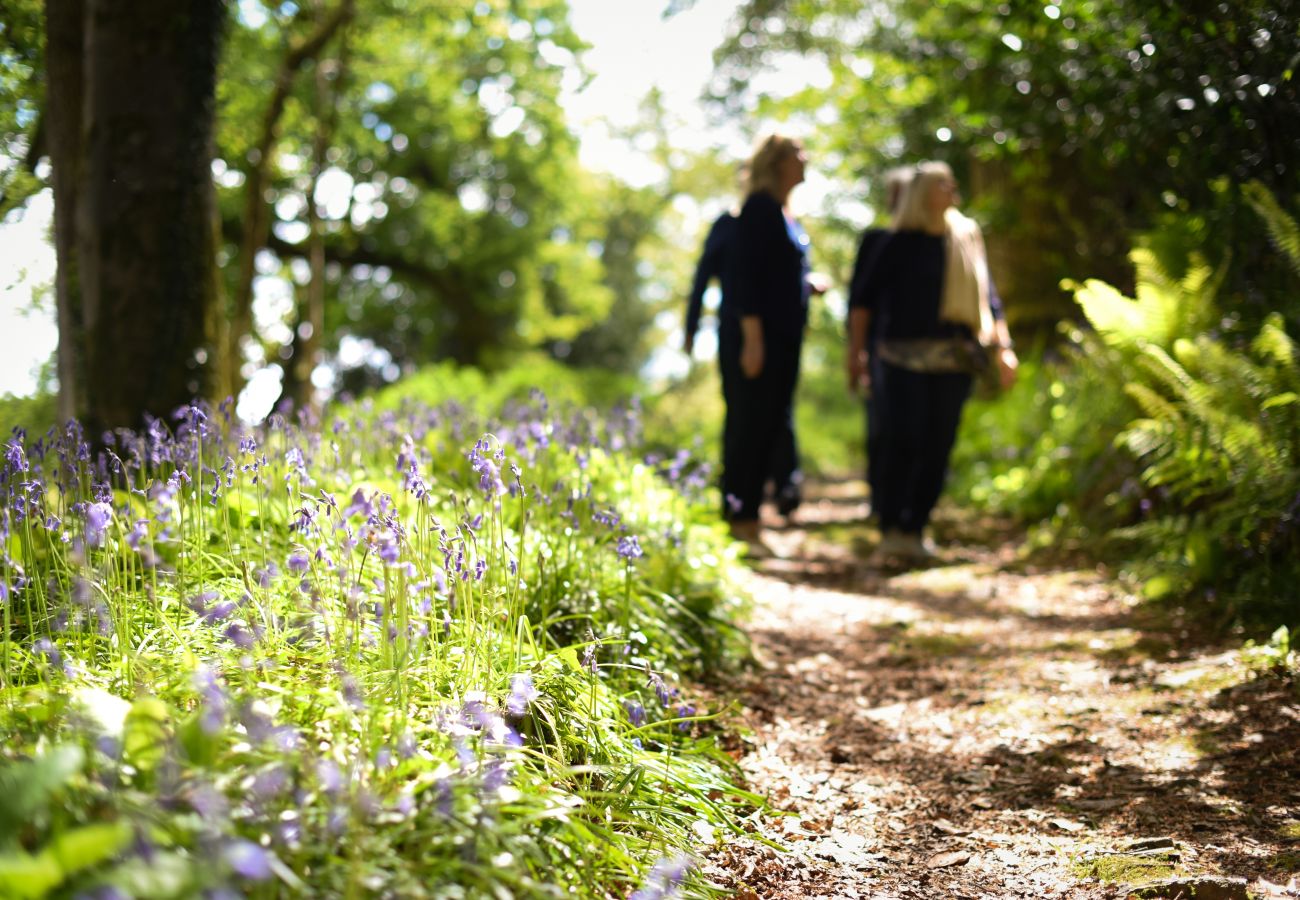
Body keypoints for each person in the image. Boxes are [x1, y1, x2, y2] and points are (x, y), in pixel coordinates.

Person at [848, 161, 1018, 563]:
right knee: (902, 440)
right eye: (943, 182)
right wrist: (857, 354)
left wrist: (1003, 347)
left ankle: (916, 528)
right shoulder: (895, 242)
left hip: (954, 360)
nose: (952, 186)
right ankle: (891, 531)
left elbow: (988, 300)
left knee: (938, 443)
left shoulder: (966, 238)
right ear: (922, 193)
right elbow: (863, 304)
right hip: (899, 359)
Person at [719, 132, 820, 550]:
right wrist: (754, 341)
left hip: (780, 339)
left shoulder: (783, 214)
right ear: (777, 162)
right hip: (756, 339)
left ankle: (749, 521)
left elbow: (778, 276)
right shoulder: (759, 210)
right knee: (750, 425)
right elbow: (745, 279)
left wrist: (806, 284)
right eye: (798, 153)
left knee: (769, 425)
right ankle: (741, 521)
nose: (806, 158)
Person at [685, 209, 802, 520]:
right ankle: (738, 509)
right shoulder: (731, 223)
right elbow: (705, 275)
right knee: (744, 419)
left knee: (779, 415)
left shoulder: (792, 223)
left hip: (784, 338)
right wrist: (691, 327)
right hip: (739, 335)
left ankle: (784, 486)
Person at [846, 167, 913, 516]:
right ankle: (882, 503)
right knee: (881, 427)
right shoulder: (877, 240)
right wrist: (855, 352)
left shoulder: (941, 241)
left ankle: (905, 508)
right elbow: (859, 299)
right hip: (879, 350)